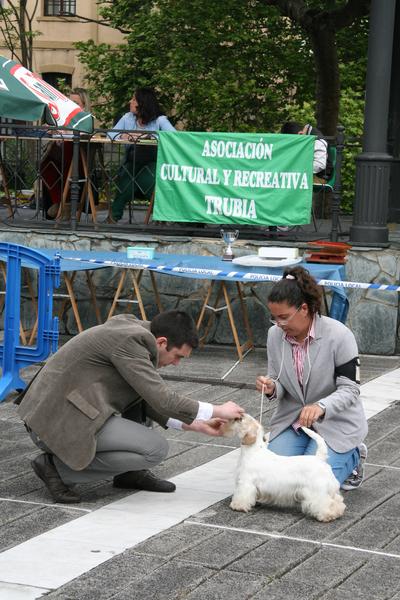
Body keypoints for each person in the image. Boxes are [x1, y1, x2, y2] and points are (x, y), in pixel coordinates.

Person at [17, 310, 244, 503]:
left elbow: (146, 397)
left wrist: (196, 424)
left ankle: (129, 474)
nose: (176, 364)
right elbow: (163, 399)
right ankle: (56, 469)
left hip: (64, 410)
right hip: (53, 423)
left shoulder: (138, 335)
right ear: (162, 342)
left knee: (141, 402)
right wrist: (217, 410)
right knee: (155, 449)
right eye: (177, 356)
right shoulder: (130, 342)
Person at [256, 266, 368, 491]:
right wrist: (271, 387)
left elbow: (350, 389)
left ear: (304, 309)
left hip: (336, 424)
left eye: (284, 317)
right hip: (293, 421)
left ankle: (354, 455)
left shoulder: (340, 335)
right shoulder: (274, 335)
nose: (279, 324)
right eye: (274, 318)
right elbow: (277, 378)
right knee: (270, 484)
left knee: (311, 489)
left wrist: (321, 407)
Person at [108, 87, 176, 223]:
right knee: (128, 176)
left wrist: (150, 137)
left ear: (143, 103)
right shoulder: (128, 117)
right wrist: (124, 135)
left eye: (134, 99)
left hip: (153, 162)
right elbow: (110, 134)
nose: (130, 101)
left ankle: (114, 217)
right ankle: (114, 217)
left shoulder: (159, 120)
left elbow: (174, 137)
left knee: (138, 180)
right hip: (132, 160)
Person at [43, 88, 93, 220]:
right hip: (60, 155)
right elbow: (53, 130)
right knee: (45, 164)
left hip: (80, 158)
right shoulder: (63, 117)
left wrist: (63, 134)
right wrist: (53, 130)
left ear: (84, 105)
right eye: (70, 102)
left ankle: (63, 204)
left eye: (75, 103)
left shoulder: (87, 118)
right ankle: (59, 203)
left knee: (69, 149)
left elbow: (84, 134)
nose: (71, 106)